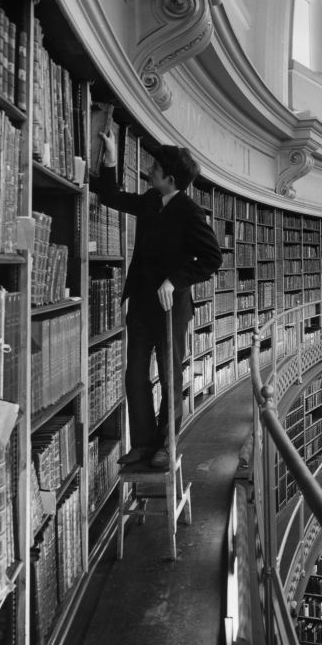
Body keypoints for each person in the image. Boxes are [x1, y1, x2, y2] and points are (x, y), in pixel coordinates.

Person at [93, 134, 223, 468]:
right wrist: (110, 158)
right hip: (140, 303)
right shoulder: (152, 200)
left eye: (156, 168)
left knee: (169, 377)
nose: (150, 171)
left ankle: (168, 444)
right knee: (135, 375)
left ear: (171, 179)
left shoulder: (190, 213)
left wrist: (175, 280)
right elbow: (110, 197)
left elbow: (211, 259)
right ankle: (143, 443)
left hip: (170, 307)